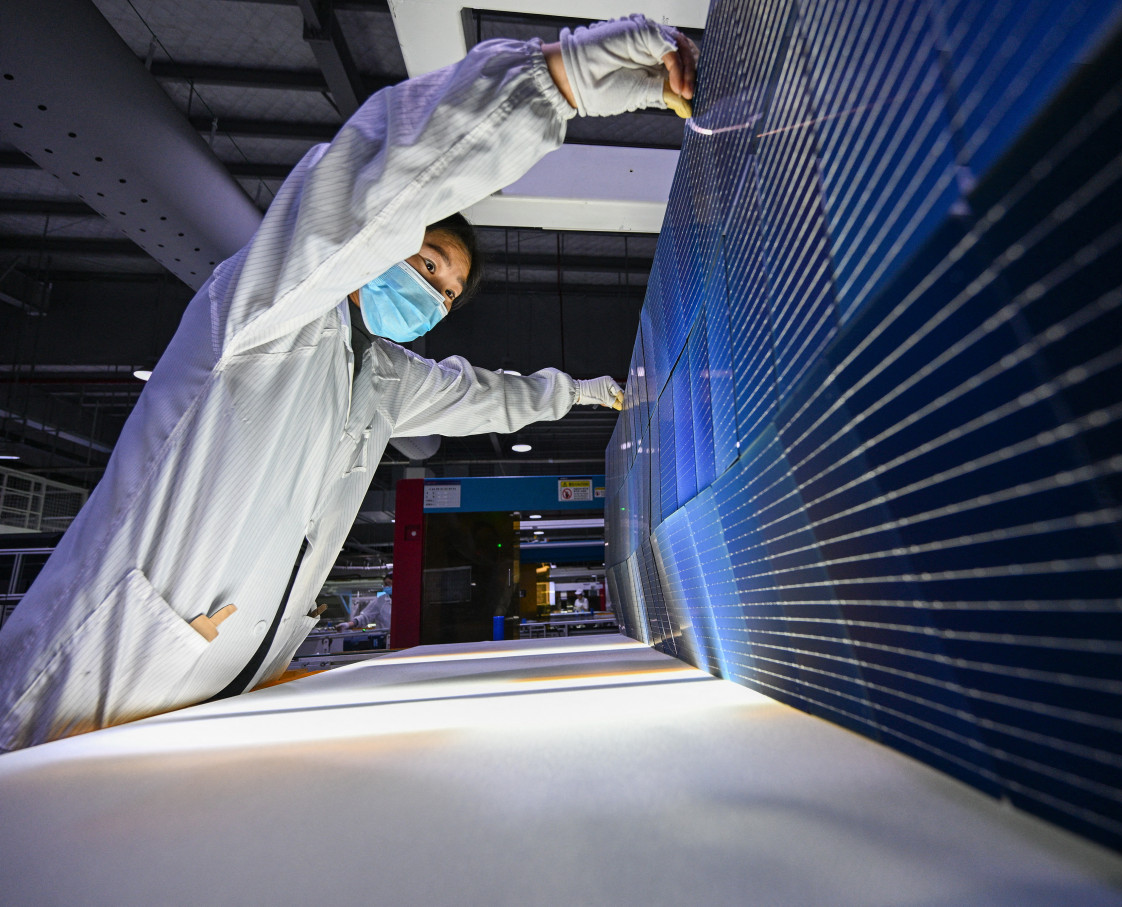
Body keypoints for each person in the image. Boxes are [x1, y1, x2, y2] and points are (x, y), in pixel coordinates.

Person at [0, 15, 699, 752]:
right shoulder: (269, 313)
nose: (436, 294)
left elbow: (483, 394)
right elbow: (362, 186)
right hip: (75, 693)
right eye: (430, 263)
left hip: (198, 714)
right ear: (394, 240)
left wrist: (582, 394)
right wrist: (549, 79)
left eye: (449, 295)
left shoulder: (377, 378)